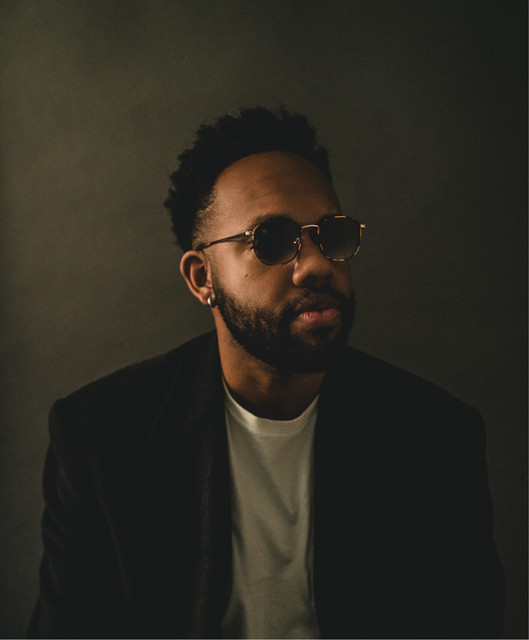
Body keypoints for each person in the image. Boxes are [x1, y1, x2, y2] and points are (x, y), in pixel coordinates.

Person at [28, 107, 505, 639]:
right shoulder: (101, 440)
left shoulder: (434, 436)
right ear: (202, 278)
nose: (318, 264)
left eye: (333, 235)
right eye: (273, 240)